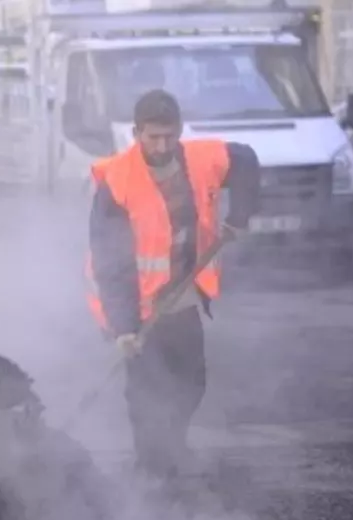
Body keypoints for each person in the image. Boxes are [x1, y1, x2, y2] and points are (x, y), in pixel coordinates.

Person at [86, 89, 260, 479]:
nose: (162, 145)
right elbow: (110, 262)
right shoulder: (117, 181)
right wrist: (125, 328)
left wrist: (241, 214)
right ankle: (151, 469)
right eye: (153, 137)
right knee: (146, 390)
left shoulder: (201, 159)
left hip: (181, 295)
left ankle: (171, 446)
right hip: (134, 302)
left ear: (179, 129)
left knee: (191, 380)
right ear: (136, 133)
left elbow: (246, 160)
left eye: (169, 136)